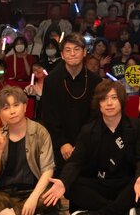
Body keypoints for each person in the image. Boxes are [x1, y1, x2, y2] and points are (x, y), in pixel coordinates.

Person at [44, 80, 140, 215]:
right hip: (99, 183)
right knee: (70, 185)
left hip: (126, 182)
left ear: (122, 101)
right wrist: (64, 182)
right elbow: (75, 162)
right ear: (98, 104)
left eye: (114, 98)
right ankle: (121, 210)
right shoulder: (88, 131)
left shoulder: (136, 126)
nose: (109, 103)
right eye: (104, 99)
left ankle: (100, 212)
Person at [0, 86, 57, 215]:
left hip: (31, 191)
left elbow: (48, 170)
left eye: (16, 105)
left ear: (25, 107)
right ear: (0, 113)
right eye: (6, 108)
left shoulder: (40, 132)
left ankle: (7, 213)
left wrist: (33, 198)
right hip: (3, 194)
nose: (12, 111)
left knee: (50, 195)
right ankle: (17, 212)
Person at [40, 35, 101, 170]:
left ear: (84, 52)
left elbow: (96, 116)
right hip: (60, 145)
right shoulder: (51, 80)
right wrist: (62, 143)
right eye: (67, 50)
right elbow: (49, 116)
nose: (72, 54)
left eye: (77, 49)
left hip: (88, 143)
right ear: (62, 55)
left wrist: (82, 143)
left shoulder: (95, 81)